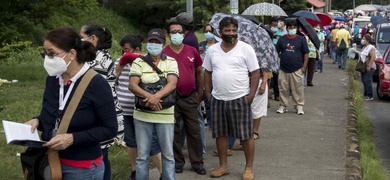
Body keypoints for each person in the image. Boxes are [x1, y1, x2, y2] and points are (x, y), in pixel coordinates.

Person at [25, 27, 118, 179]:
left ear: (72, 54)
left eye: (52, 54)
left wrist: (72, 138)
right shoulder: (53, 80)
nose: (47, 59)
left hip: (82, 168)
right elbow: (56, 115)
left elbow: (110, 129)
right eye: (45, 53)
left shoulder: (96, 84)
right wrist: (37, 121)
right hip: (51, 160)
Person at [203, 16, 260, 180]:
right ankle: (223, 166)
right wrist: (208, 93)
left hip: (240, 98)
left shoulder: (245, 49)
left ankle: (248, 168)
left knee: (246, 135)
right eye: (227, 30)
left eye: (234, 30)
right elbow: (207, 71)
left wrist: (250, 95)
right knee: (220, 134)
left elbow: (255, 72)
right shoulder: (213, 50)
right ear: (220, 32)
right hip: (218, 99)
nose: (231, 33)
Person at [129, 28, 178, 180]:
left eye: (157, 42)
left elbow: (172, 84)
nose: (154, 44)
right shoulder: (138, 62)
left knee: (168, 155)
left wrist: (155, 97)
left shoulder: (171, 61)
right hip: (142, 116)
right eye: (151, 41)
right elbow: (132, 85)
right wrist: (151, 98)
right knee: (142, 156)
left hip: (165, 116)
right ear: (146, 43)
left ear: (164, 45)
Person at [113, 35, 162, 180]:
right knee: (131, 142)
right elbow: (112, 79)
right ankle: (135, 171)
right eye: (123, 51)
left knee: (151, 143)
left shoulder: (148, 61)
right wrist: (121, 65)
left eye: (127, 50)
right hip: (124, 110)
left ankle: (163, 173)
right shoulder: (119, 61)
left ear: (137, 49)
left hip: (143, 109)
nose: (124, 53)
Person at [79, 23, 124, 180]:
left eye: (81, 38)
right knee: (102, 156)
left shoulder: (96, 61)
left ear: (93, 39)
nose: (78, 42)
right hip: (105, 113)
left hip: (101, 116)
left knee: (100, 157)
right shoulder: (99, 56)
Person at [163, 21, 206, 175]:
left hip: (189, 98)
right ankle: (178, 162)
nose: (176, 34)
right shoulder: (164, 52)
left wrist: (199, 94)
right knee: (173, 132)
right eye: (173, 32)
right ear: (168, 35)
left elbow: (200, 72)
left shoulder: (192, 51)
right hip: (171, 98)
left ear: (183, 33)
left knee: (194, 131)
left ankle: (197, 162)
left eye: (179, 31)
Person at [275, 18, 309, 115]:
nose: (292, 29)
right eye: (290, 27)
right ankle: (283, 105)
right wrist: (277, 66)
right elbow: (276, 53)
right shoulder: (282, 39)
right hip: (283, 68)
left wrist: (304, 67)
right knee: (283, 88)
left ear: (297, 28)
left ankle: (299, 106)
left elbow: (306, 54)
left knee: (298, 89)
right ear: (287, 28)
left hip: (297, 68)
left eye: (294, 27)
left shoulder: (301, 39)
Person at [359, 34, 376, 101]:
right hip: (364, 66)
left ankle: (369, 95)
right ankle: (366, 94)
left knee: (367, 80)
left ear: (368, 40)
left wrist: (369, 66)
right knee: (363, 80)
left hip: (370, 67)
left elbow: (372, 57)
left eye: (364, 39)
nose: (362, 40)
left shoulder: (371, 48)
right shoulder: (364, 47)